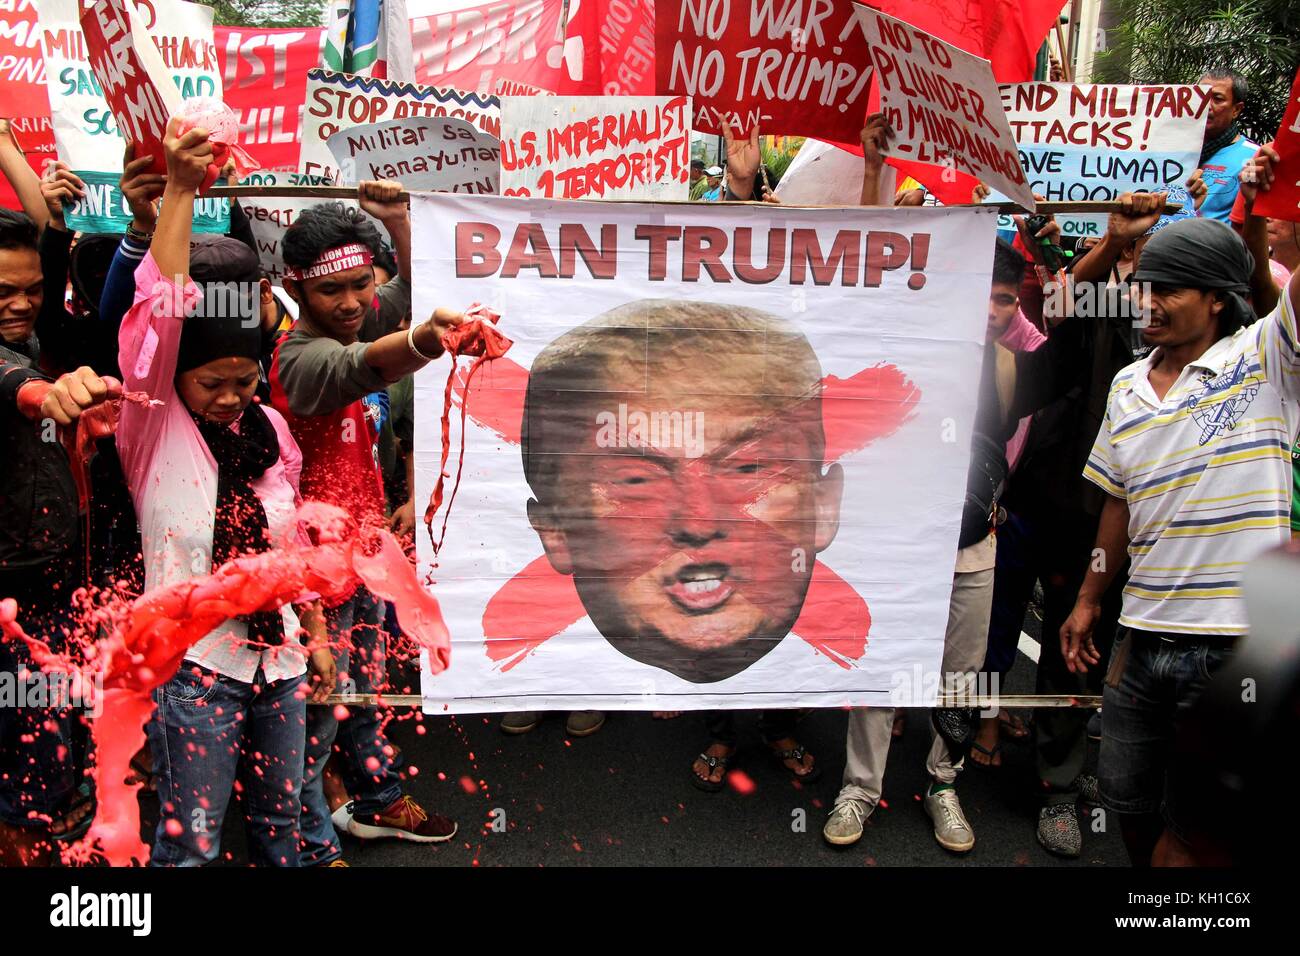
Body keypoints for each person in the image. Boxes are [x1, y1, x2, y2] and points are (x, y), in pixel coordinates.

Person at [824, 114, 1088, 853]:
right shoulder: (901, 339)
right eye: (977, 291)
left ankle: (943, 782)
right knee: (882, 667)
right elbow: (869, 272)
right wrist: (879, 172)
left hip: (974, 545)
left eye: (1003, 298)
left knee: (960, 679)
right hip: (898, 540)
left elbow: (1065, 335)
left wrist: (1066, 246)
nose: (988, 308)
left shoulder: (1010, 363)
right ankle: (859, 788)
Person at [1063, 148, 1300, 867]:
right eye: (1147, 286)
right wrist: (1087, 600)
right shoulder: (1128, 386)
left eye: (1172, 289)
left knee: (1196, 836)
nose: (1149, 301)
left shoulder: (1264, 360)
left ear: (1218, 299)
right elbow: (1118, 503)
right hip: (1142, 640)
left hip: (1238, 649)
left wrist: (1272, 204)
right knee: (1128, 805)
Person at [113, 119, 336, 867]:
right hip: (197, 669)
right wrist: (178, 189)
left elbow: (293, 544)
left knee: (282, 829)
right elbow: (162, 312)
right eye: (212, 383)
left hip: (282, 665)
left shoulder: (272, 427)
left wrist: (319, 636)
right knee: (193, 844)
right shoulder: (151, 426)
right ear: (174, 376)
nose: (231, 398)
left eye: (245, 380)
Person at [271, 185, 463, 857]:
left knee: (363, 698)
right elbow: (362, 363)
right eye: (333, 293)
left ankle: (374, 803)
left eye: (361, 285)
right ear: (298, 288)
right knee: (313, 723)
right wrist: (425, 340)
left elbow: (409, 292)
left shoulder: (357, 314)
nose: (352, 303)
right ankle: (307, 845)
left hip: (368, 562)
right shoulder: (299, 359)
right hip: (315, 583)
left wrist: (395, 220)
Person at [0, 208, 113, 864]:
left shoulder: (39, 335)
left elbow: (47, 229)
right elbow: (18, 386)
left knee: (54, 714)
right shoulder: (20, 366)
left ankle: (49, 819)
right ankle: (27, 843)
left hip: (59, 568)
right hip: (14, 590)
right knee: (28, 723)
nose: (21, 303)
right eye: (4, 292)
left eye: (33, 287)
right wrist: (55, 396)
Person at [1196, 70, 1257, 224]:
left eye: (1217, 99)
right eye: (1201, 97)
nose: (1206, 105)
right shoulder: (1173, 150)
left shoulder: (1253, 158)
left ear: (1236, 109)